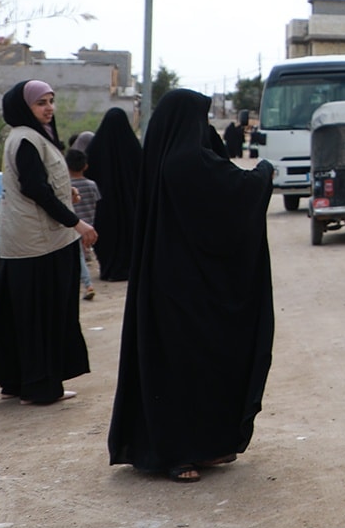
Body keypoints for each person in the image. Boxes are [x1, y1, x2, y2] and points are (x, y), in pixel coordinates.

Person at [108, 88, 278, 483]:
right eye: (201, 120)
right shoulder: (188, 162)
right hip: (185, 289)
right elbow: (234, 193)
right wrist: (264, 173)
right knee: (188, 366)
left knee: (184, 366)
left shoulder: (166, 157)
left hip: (168, 282)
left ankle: (197, 447)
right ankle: (178, 453)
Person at [0, 80, 94, 406]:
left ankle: (18, 381)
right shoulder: (27, 139)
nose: (49, 108)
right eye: (41, 103)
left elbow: (39, 183)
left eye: (51, 101)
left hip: (29, 240)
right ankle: (40, 387)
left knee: (23, 313)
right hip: (40, 243)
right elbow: (35, 189)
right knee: (42, 315)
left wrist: (67, 194)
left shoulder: (30, 136)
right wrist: (76, 222)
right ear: (24, 107)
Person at [83, 106, 142, 282]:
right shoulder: (133, 148)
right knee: (130, 234)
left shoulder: (95, 149)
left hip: (104, 206)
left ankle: (109, 269)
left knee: (107, 237)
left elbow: (87, 172)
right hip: (131, 206)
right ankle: (129, 268)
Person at [65, 148, 101, 302]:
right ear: (85, 166)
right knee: (82, 253)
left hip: (74, 225)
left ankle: (88, 285)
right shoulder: (92, 185)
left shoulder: (67, 186)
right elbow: (96, 202)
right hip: (89, 222)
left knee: (79, 256)